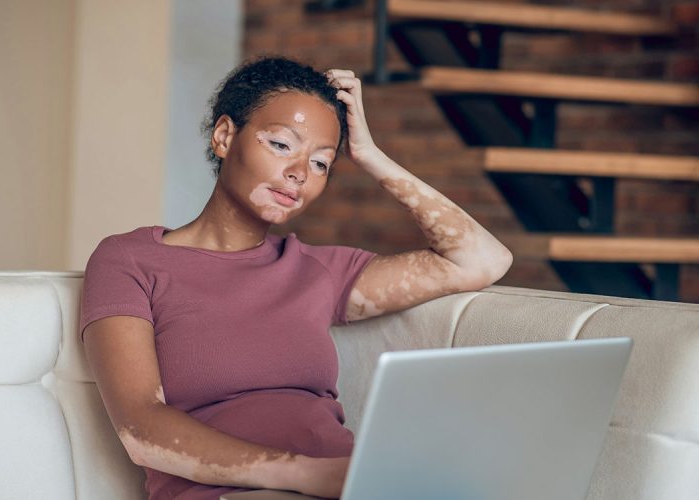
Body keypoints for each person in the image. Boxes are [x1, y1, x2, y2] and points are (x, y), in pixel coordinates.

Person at [79, 56, 513, 500]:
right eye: (282, 145)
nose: (300, 174)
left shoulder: (318, 270)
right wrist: (315, 476)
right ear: (226, 136)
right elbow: (140, 428)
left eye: (322, 163)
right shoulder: (130, 260)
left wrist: (371, 156)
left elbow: (480, 260)